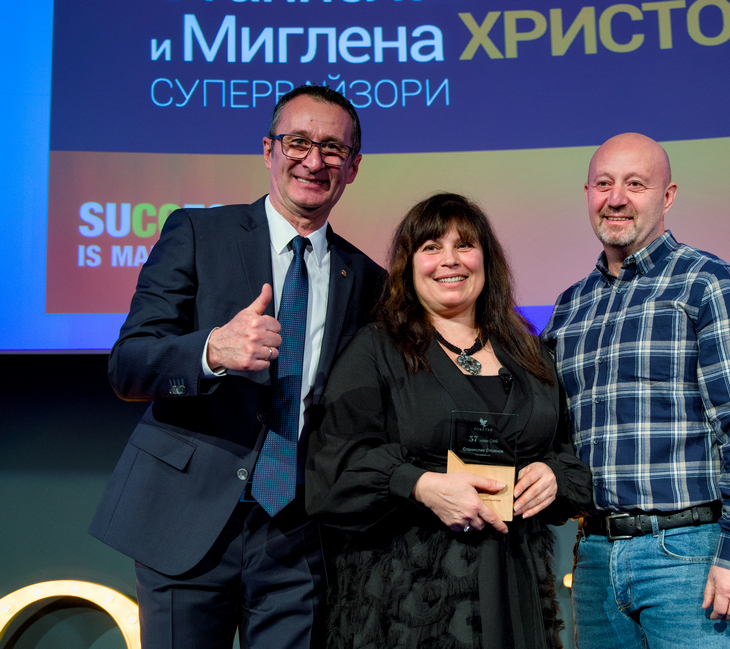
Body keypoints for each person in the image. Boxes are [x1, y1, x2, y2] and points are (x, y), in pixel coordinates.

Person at [89, 85, 386, 649]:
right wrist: (210, 351)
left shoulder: (369, 279)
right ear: (268, 150)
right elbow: (127, 366)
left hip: (297, 532)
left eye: (332, 148)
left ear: (352, 167)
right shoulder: (198, 233)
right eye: (297, 142)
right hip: (185, 520)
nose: (314, 161)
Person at [305, 192, 593, 649]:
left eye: (464, 245)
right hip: (409, 596)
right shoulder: (376, 349)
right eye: (431, 247)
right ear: (408, 264)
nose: (449, 260)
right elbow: (333, 468)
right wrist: (419, 485)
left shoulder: (529, 353)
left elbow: (566, 454)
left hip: (514, 585)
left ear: (486, 259)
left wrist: (554, 476)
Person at [541, 133, 730, 648]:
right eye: (603, 184)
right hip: (595, 558)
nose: (616, 198)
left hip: (686, 556)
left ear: (667, 196)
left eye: (635, 184)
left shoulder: (710, 283)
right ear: (587, 193)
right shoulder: (569, 307)